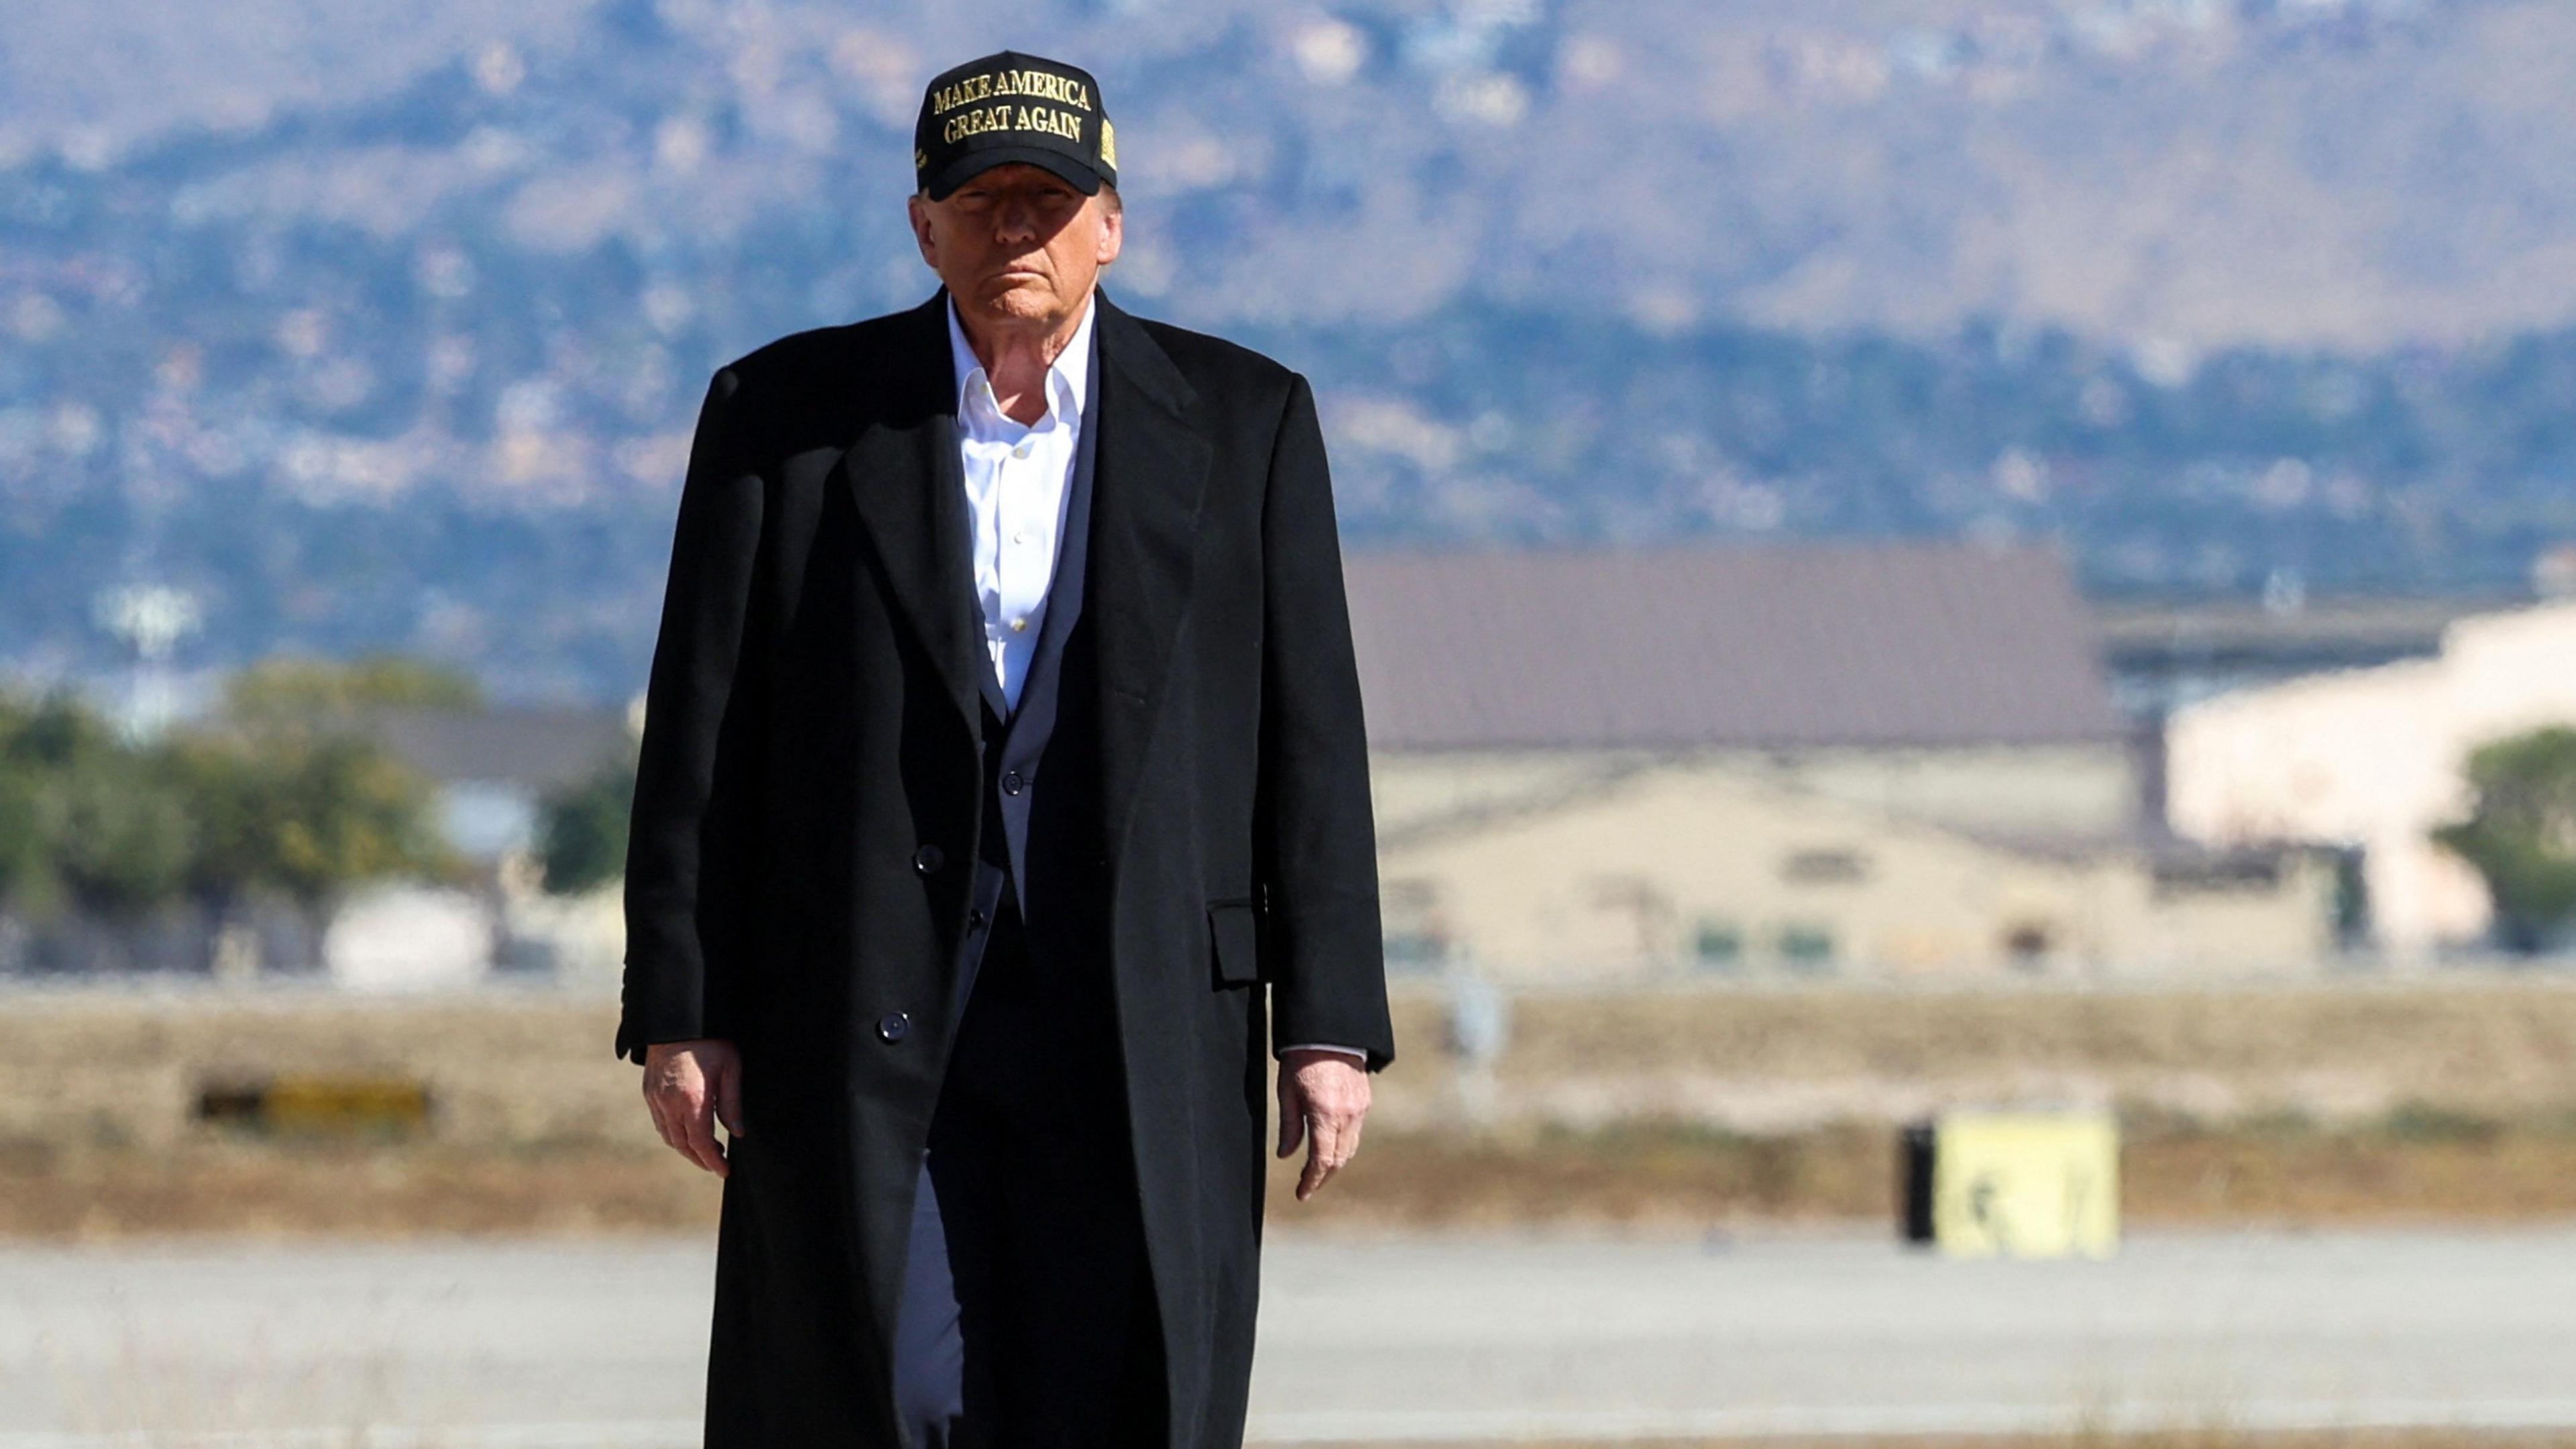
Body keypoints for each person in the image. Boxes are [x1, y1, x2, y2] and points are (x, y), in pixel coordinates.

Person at [614, 48, 1395, 1448]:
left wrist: (1329, 1024)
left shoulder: (1244, 422)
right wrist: (684, 1007)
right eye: (982, 201)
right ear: (925, 225)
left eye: (1050, 200)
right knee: (888, 1390)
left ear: (1113, 222)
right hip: (863, 1011)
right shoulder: (784, 421)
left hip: (1142, 1011)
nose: (1016, 230)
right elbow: (701, 735)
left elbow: (1311, 741)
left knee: (1109, 1390)